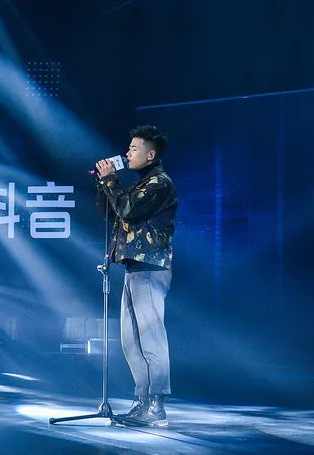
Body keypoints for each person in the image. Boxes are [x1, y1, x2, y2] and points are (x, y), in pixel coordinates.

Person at [95, 125, 178, 428]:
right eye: (128, 147)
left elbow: (128, 210)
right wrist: (103, 184)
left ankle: (157, 405)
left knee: (151, 338)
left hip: (151, 268)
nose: (127, 153)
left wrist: (111, 181)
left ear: (150, 154)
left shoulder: (159, 184)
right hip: (133, 268)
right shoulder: (139, 184)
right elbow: (112, 212)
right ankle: (142, 401)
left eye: (134, 148)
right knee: (131, 340)